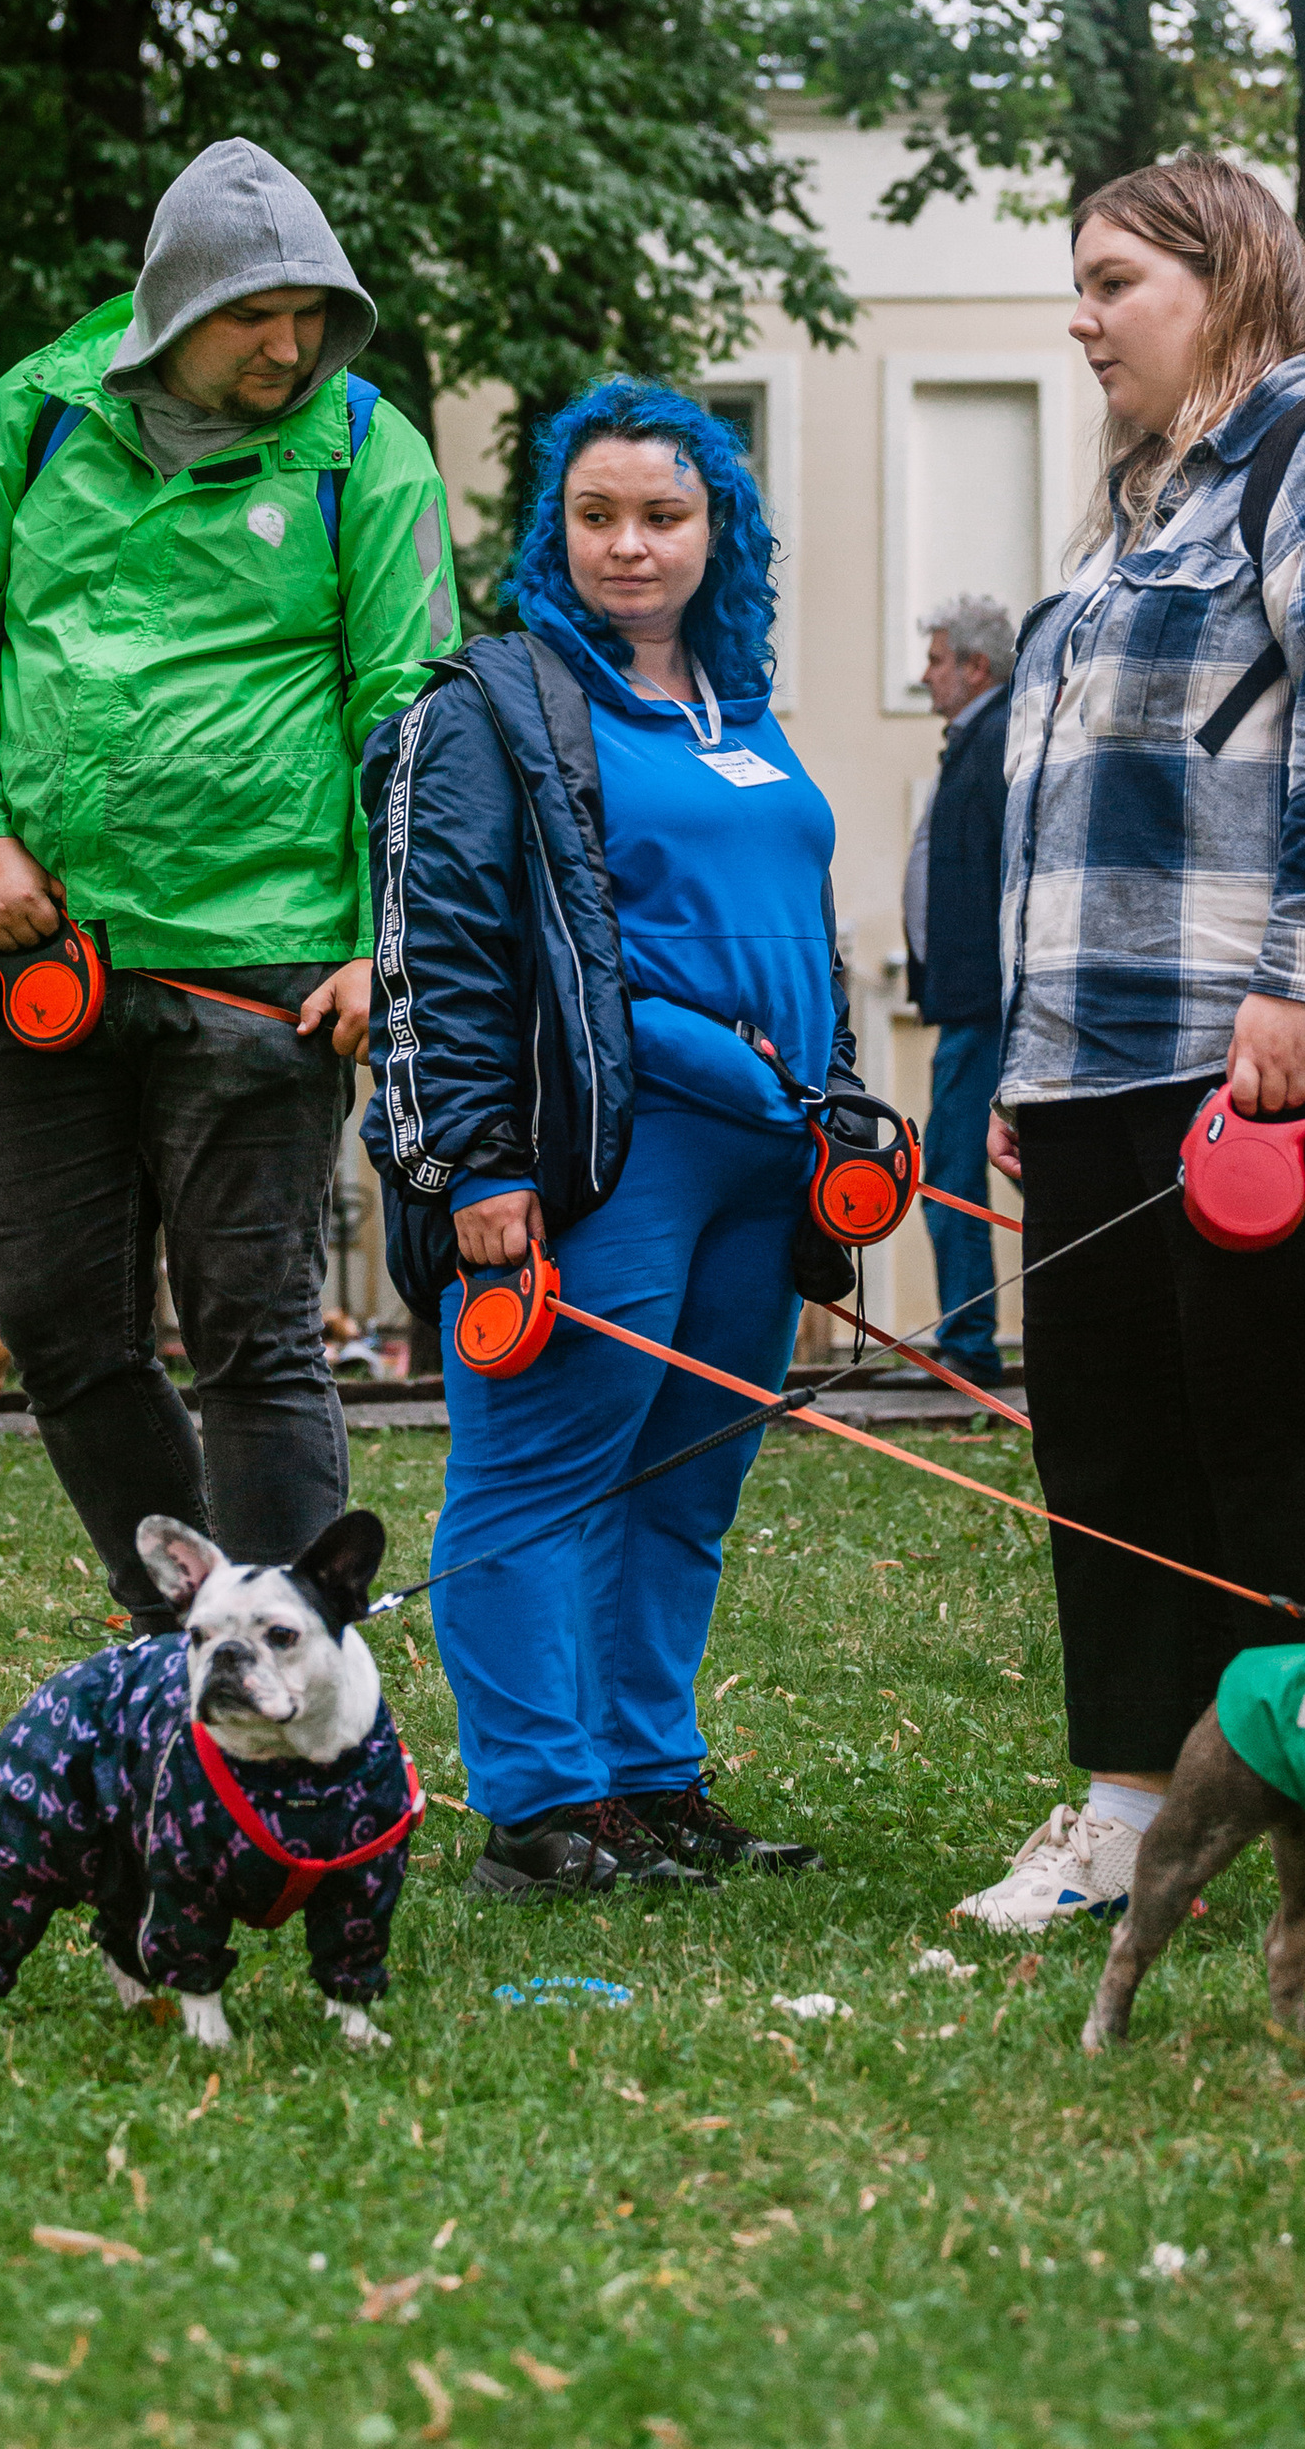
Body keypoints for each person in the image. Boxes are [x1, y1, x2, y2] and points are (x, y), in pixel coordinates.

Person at [956, 155, 1305, 1935]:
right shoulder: (1130, 518)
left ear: (1231, 275)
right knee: (1110, 1458)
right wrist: (1031, 1063)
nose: (1081, 319)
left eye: (1115, 281)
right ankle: (1131, 1809)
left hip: (1271, 1048)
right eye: (1080, 283)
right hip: (1095, 1065)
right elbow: (1069, 815)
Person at [0, 136, 455, 1623]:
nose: (291, 346)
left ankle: (301, 1662)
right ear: (173, 306)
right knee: (61, 1329)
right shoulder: (35, 413)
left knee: (254, 1335)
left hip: (267, 971)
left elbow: (408, 715)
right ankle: (187, 1636)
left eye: (313, 314)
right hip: (49, 961)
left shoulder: (365, 450)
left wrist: (382, 948)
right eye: (255, 314)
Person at [364, 380, 853, 1898]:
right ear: (553, 532)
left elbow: (793, 925)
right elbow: (437, 949)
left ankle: (648, 1780)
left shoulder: (739, 705)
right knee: (542, 1474)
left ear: (719, 532)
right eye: (596, 516)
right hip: (599, 1156)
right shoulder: (493, 705)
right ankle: (540, 1810)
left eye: (662, 515)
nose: (629, 545)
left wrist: (839, 1103)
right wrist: (479, 1164)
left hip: (766, 1168)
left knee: (684, 1481)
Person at [903, 595, 1017, 1392]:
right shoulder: (979, 740)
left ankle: (970, 1348)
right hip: (973, 1004)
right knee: (963, 1170)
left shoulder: (998, 740)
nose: (925, 675)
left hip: (987, 1009)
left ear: (977, 667)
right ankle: (969, 1341)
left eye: (937, 660)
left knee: (951, 1172)